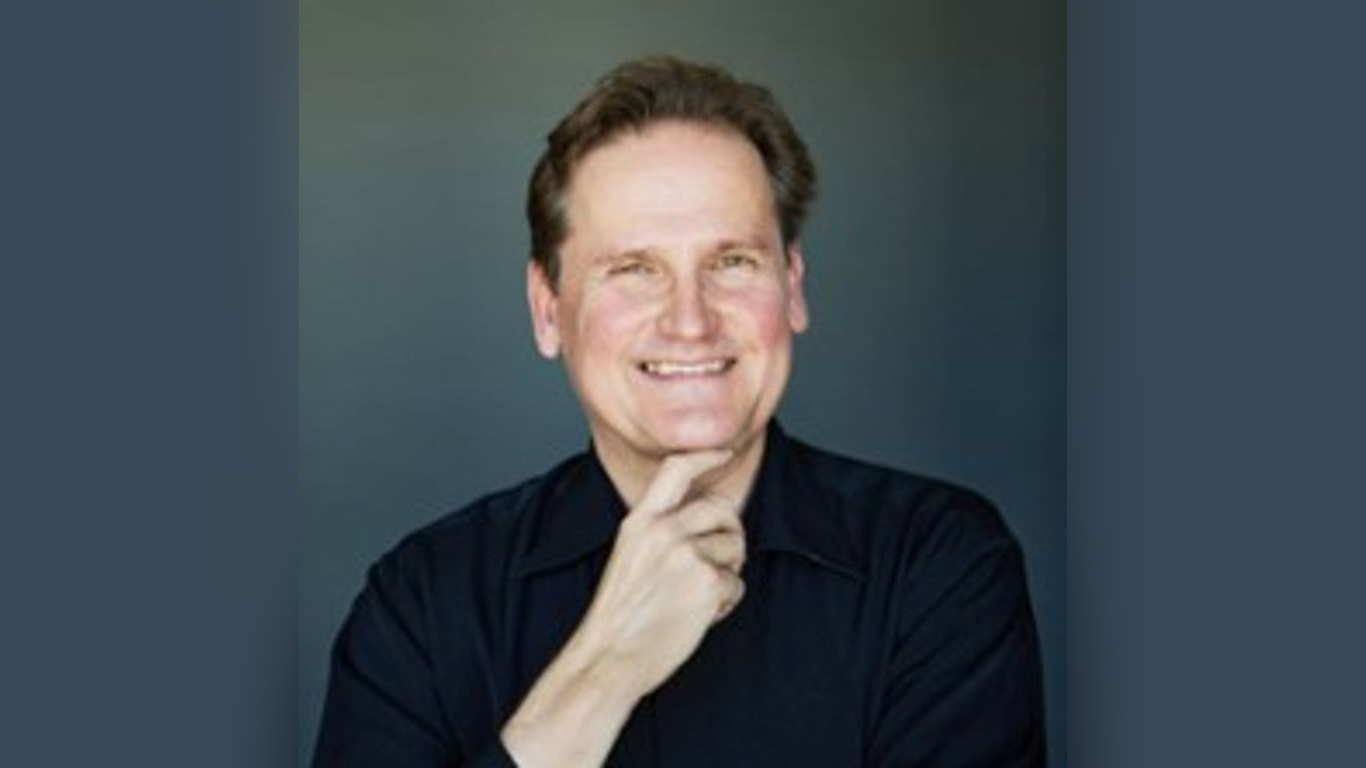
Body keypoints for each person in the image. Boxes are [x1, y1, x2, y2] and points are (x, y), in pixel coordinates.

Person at [313, 55, 1045, 767]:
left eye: (732, 262)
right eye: (634, 269)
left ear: (792, 287)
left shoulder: (939, 565)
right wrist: (601, 674)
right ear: (548, 310)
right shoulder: (423, 604)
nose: (690, 322)